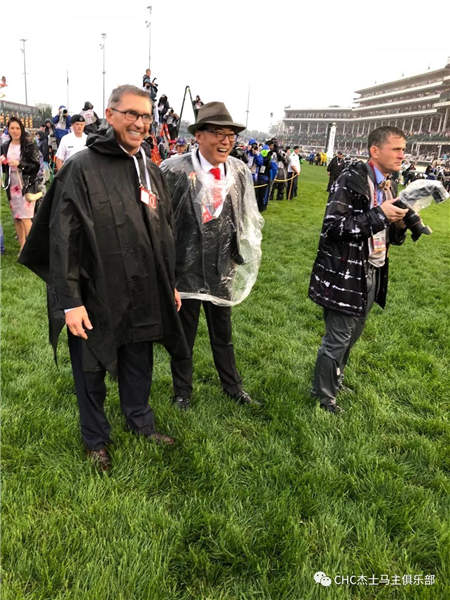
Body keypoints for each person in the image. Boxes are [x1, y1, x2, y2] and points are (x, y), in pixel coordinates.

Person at [19, 84, 188, 472]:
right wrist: (70, 302)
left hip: (143, 288)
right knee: (91, 368)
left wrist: (169, 282)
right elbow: (63, 238)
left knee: (139, 360)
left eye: (146, 116)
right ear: (109, 115)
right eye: (131, 114)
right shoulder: (81, 168)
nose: (140, 123)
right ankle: (95, 438)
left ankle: (140, 421)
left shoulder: (149, 169)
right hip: (94, 291)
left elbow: (164, 230)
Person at [160, 101, 263, 410]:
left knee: (223, 333)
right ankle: (182, 392)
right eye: (218, 133)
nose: (225, 141)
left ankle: (232, 386)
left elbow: (245, 216)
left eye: (230, 135)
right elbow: (160, 222)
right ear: (199, 135)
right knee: (185, 335)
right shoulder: (175, 170)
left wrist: (239, 252)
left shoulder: (239, 171)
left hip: (222, 266)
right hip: (185, 268)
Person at [308, 126, 409, 413]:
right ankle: (324, 397)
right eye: (396, 149)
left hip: (373, 269)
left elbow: (389, 235)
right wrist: (380, 215)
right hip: (344, 272)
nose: (402, 155)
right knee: (338, 338)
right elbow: (334, 227)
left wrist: (399, 225)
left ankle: (334, 380)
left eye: (403, 149)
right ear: (375, 151)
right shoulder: (350, 179)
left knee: (352, 336)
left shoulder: (389, 184)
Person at [1, 117, 41, 251]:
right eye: (12, 128)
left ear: (22, 129)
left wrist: (20, 164)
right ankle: (22, 248)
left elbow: (35, 166)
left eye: (17, 128)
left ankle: (32, 251)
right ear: (8, 129)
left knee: (26, 218)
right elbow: (5, 168)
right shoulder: (5, 146)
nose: (15, 131)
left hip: (26, 185)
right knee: (17, 218)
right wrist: (4, 162)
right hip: (12, 185)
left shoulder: (29, 145)